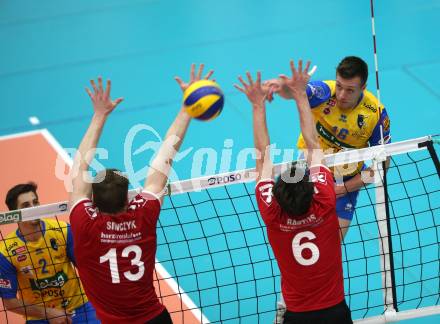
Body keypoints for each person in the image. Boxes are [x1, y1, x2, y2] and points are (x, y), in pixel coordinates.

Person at [68, 64, 213, 323]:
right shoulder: (143, 215)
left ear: (93, 201)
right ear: (128, 199)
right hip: (155, 319)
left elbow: (80, 165)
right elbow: (165, 156)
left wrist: (99, 116)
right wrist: (187, 108)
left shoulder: (83, 223)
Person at [235, 60, 352, 323]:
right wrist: (300, 93)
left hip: (297, 316)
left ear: (276, 197)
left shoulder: (272, 213)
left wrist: (257, 106)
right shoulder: (323, 201)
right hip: (335, 312)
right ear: (311, 190)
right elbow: (313, 145)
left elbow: (263, 158)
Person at [265, 56, 391, 238]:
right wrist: (280, 86)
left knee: (331, 246)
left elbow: (382, 166)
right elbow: (295, 92)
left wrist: (344, 188)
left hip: (345, 181)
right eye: (339, 86)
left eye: (350, 90)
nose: (341, 95)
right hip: (308, 175)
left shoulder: (376, 116)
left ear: (363, 88)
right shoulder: (324, 92)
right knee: (293, 238)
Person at [0, 182, 99, 324]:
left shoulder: (63, 230)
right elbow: (9, 302)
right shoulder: (6, 252)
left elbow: (88, 270)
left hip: (79, 306)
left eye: (35, 202)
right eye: (26, 206)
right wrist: (49, 314)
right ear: (15, 214)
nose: (33, 208)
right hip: (38, 317)